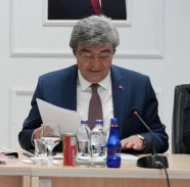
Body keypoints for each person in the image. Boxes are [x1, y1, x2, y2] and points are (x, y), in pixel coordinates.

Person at [19, 15, 167, 153]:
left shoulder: (138, 86)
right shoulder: (49, 85)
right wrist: (37, 135)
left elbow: (159, 137)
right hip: (67, 168)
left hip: (119, 168)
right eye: (87, 54)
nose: (95, 64)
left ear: (113, 52)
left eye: (103, 54)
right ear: (75, 53)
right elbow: (25, 136)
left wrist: (142, 139)